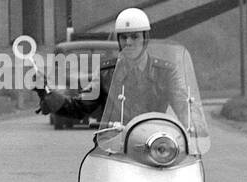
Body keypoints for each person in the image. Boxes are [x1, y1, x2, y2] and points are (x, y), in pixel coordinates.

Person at [36, 8, 189, 126]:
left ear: (145, 39)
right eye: (124, 37)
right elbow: (79, 107)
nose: (128, 42)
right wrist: (47, 94)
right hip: (113, 148)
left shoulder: (166, 73)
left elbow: (185, 108)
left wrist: (194, 127)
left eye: (135, 37)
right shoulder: (105, 73)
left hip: (154, 147)